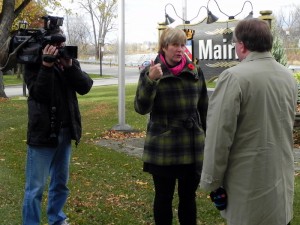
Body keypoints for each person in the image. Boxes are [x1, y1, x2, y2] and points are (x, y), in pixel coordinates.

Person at [200, 18, 297, 225]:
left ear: (242, 45)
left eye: (235, 43)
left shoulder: (233, 77)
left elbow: (219, 135)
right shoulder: (288, 77)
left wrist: (212, 181)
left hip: (248, 188)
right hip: (281, 188)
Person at [134, 27, 208, 225]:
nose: (180, 49)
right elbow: (141, 108)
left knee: (188, 198)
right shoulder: (151, 71)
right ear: (164, 47)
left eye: (183, 45)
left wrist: (206, 137)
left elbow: (204, 108)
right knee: (164, 198)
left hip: (190, 145)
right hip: (163, 147)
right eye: (175, 44)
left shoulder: (195, 72)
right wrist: (151, 80)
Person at [22, 28, 93, 225]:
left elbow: (86, 86)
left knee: (60, 184)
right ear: (47, 45)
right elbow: (39, 93)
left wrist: (70, 66)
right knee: (35, 188)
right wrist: (46, 65)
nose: (61, 48)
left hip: (65, 131)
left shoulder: (68, 61)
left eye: (63, 44)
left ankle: (57, 219)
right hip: (42, 134)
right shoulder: (34, 62)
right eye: (57, 45)